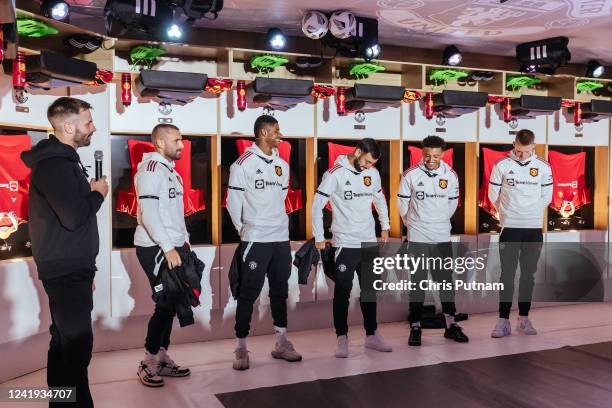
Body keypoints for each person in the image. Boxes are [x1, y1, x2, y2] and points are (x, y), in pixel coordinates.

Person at [21, 97, 108, 408]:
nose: (93, 128)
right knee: (76, 349)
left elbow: (68, 219)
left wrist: (86, 270)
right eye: (88, 122)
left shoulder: (63, 162)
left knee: (63, 343)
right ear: (69, 126)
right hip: (67, 271)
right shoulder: (56, 166)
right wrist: (98, 195)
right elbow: (73, 218)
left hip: (73, 269)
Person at [226, 115, 302, 370]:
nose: (280, 134)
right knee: (248, 293)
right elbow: (233, 203)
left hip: (280, 238)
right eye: (276, 130)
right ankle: (241, 348)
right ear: (263, 132)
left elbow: (279, 199)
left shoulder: (282, 164)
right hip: (256, 239)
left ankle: (281, 343)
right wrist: (244, 229)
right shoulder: (243, 164)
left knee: (280, 291)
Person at [312, 138, 393, 358]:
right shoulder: (334, 174)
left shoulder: (372, 174)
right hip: (345, 242)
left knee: (370, 291)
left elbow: (379, 198)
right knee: (343, 293)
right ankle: (342, 338)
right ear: (357, 152)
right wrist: (319, 236)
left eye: (372, 163)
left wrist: (385, 225)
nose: (369, 166)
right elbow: (316, 205)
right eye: (367, 161)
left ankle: (372, 335)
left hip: (368, 241)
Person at [133, 124, 192, 386]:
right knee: (165, 303)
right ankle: (148, 360)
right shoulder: (151, 170)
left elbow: (174, 214)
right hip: (155, 248)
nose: (181, 145)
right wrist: (167, 246)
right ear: (159, 142)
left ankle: (162, 356)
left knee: (171, 304)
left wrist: (184, 243)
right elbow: (148, 213)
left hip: (173, 246)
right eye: (177, 140)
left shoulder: (170, 172)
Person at [397, 136, 468, 346]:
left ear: (442, 154)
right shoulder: (410, 174)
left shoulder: (451, 176)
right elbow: (402, 205)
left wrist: (438, 222)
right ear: (421, 152)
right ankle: (416, 327)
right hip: (418, 237)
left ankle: (450, 325)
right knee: (417, 283)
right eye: (427, 155)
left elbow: (452, 204)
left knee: (445, 283)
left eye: (435, 156)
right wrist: (414, 224)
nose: (431, 159)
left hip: (441, 238)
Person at [488, 129, 553, 338]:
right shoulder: (502, 165)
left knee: (528, 276)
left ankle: (523, 318)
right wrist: (506, 213)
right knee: (507, 275)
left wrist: (530, 212)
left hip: (533, 229)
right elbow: (492, 195)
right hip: (510, 228)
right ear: (514, 144)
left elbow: (547, 197)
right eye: (519, 150)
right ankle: (503, 320)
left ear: (533, 147)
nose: (523, 155)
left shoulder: (543, 166)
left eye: (527, 151)